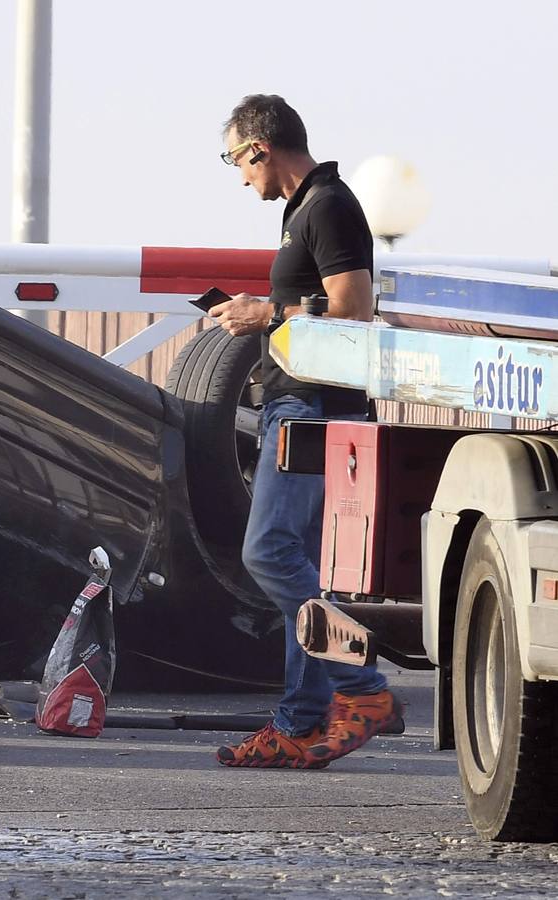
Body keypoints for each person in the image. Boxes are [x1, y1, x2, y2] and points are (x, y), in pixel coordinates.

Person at [208, 94, 402, 769]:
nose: (238, 176)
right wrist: (266, 312)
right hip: (307, 405)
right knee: (304, 572)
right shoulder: (305, 210)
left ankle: (362, 689)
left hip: (314, 407)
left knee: (267, 555)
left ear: (260, 147)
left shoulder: (327, 204)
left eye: (235, 159)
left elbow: (351, 308)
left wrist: (264, 313)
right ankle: (298, 721)